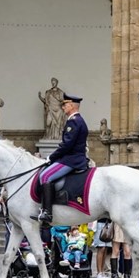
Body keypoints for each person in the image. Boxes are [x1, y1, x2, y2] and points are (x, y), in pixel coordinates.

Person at [33, 93, 88, 228]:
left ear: (71, 105)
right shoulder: (78, 120)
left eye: (65, 105)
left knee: (45, 176)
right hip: (73, 157)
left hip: (72, 160)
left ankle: (47, 212)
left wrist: (51, 158)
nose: (63, 107)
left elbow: (66, 145)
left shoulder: (73, 121)